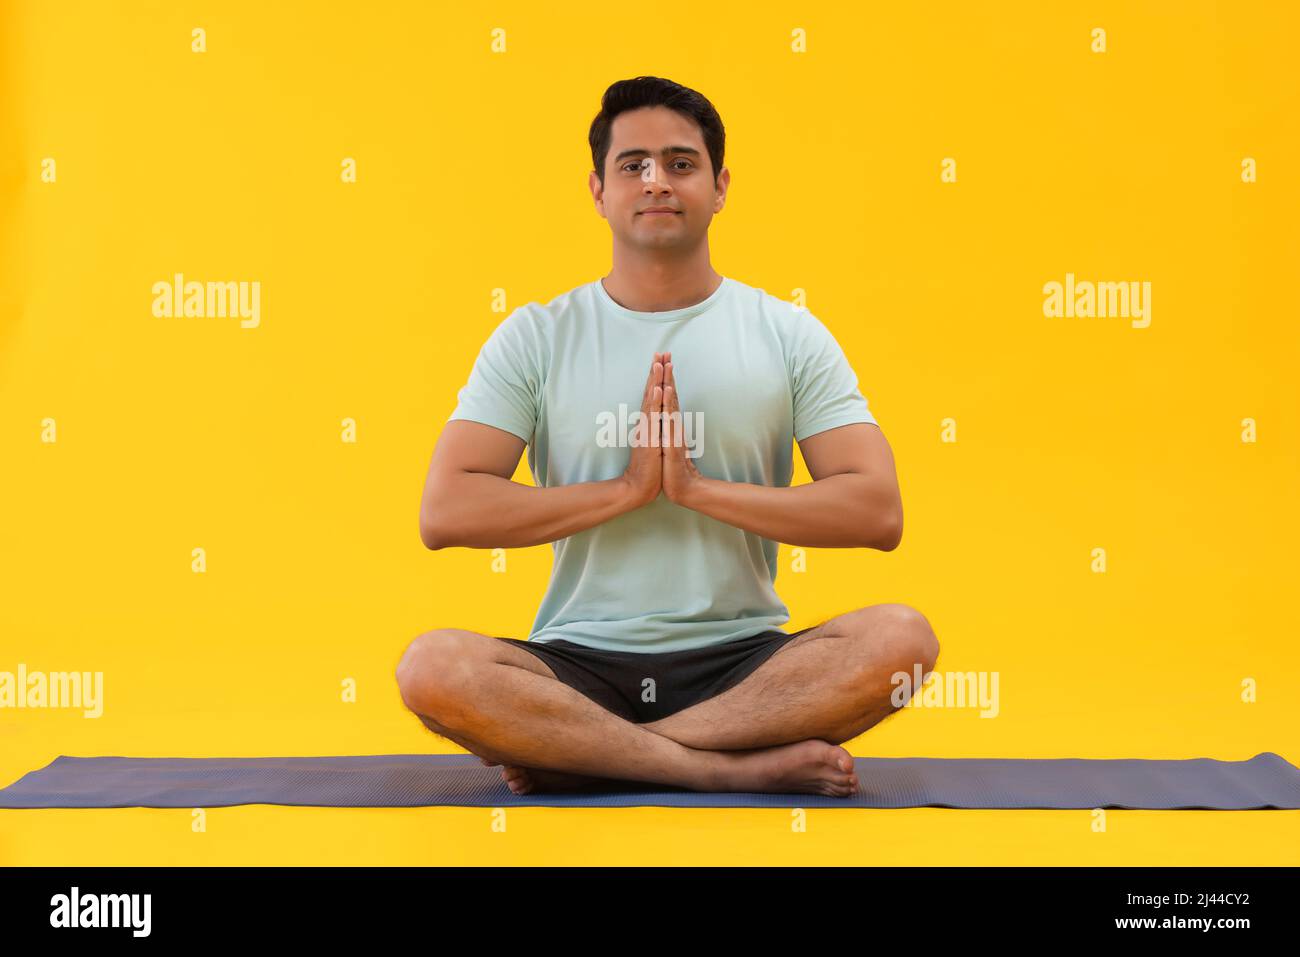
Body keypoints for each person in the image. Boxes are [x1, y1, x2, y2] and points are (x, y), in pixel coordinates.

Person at [397, 76, 938, 796]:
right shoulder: (536, 336)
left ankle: (596, 754)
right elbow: (446, 512)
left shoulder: (787, 332)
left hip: (745, 665)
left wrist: (697, 490)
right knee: (432, 669)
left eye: (681, 163)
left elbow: (877, 511)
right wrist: (626, 491)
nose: (657, 181)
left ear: (719, 187)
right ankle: (724, 768)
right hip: (578, 663)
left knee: (903, 641)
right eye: (634, 165)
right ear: (598, 190)